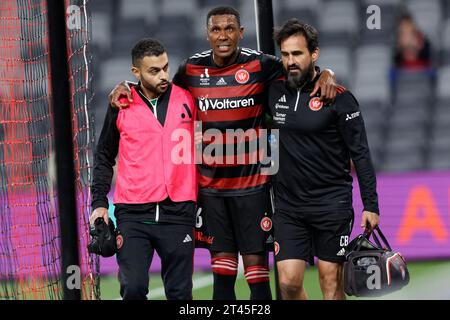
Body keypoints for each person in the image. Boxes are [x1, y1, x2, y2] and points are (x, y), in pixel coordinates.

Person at [108, 6, 337, 300]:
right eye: (216, 30)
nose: (223, 36)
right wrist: (126, 85)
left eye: (230, 28)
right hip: (212, 189)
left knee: (256, 274)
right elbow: (155, 91)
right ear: (207, 34)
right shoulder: (190, 70)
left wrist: (327, 73)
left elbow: (300, 70)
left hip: (253, 187)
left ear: (241, 33)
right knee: (223, 275)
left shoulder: (261, 65)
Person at [268, 19, 380, 300]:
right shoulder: (273, 89)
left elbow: (361, 153)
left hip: (331, 204)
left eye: (297, 54)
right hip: (289, 207)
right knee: (288, 284)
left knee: (331, 285)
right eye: (285, 54)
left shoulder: (339, 98)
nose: (290, 61)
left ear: (314, 54)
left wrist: (371, 205)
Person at [90, 38, 197, 300]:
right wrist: (99, 202)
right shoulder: (121, 104)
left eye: (165, 67)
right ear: (136, 73)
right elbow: (104, 155)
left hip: (179, 211)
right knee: (134, 289)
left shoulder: (188, 98)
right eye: (154, 70)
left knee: (180, 293)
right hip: (133, 215)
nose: (163, 75)